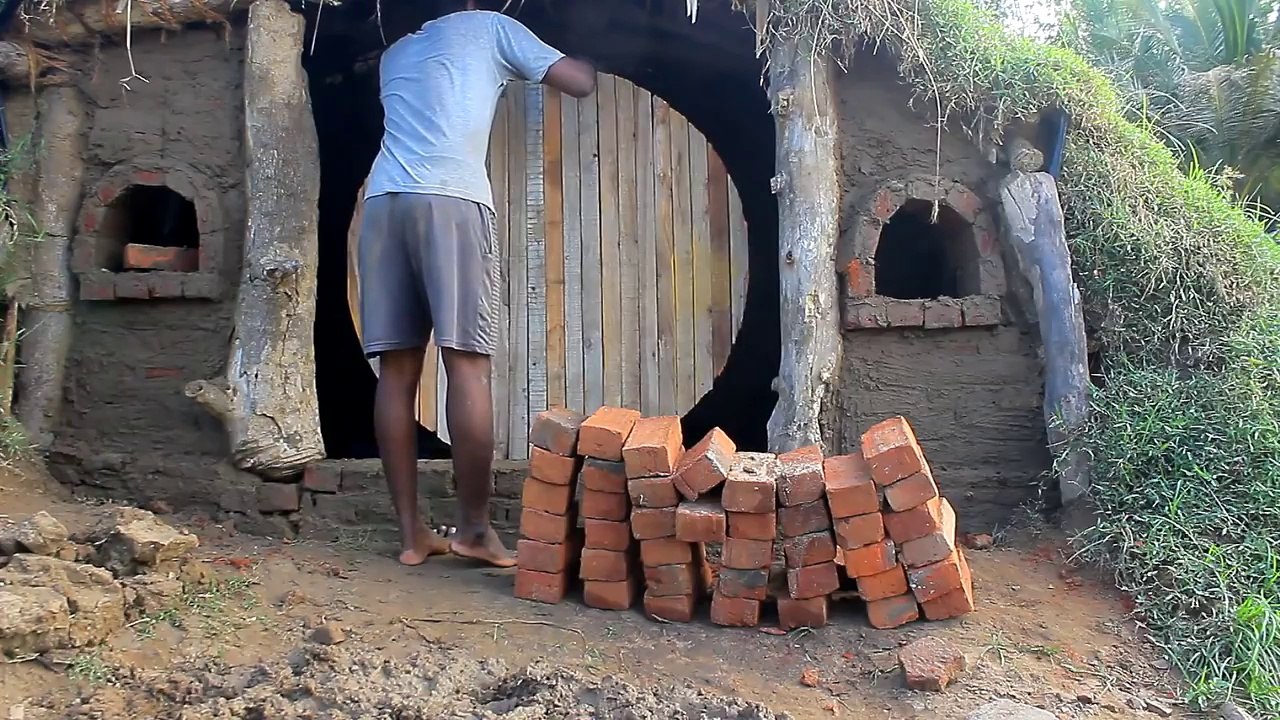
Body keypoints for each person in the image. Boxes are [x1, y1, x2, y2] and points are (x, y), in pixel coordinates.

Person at [358, 0, 597, 568]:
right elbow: (579, 82)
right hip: (450, 200)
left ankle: (413, 535)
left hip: (383, 202)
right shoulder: (492, 26)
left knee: (396, 370)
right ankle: (472, 530)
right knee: (467, 363)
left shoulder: (395, 53)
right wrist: (588, 47)